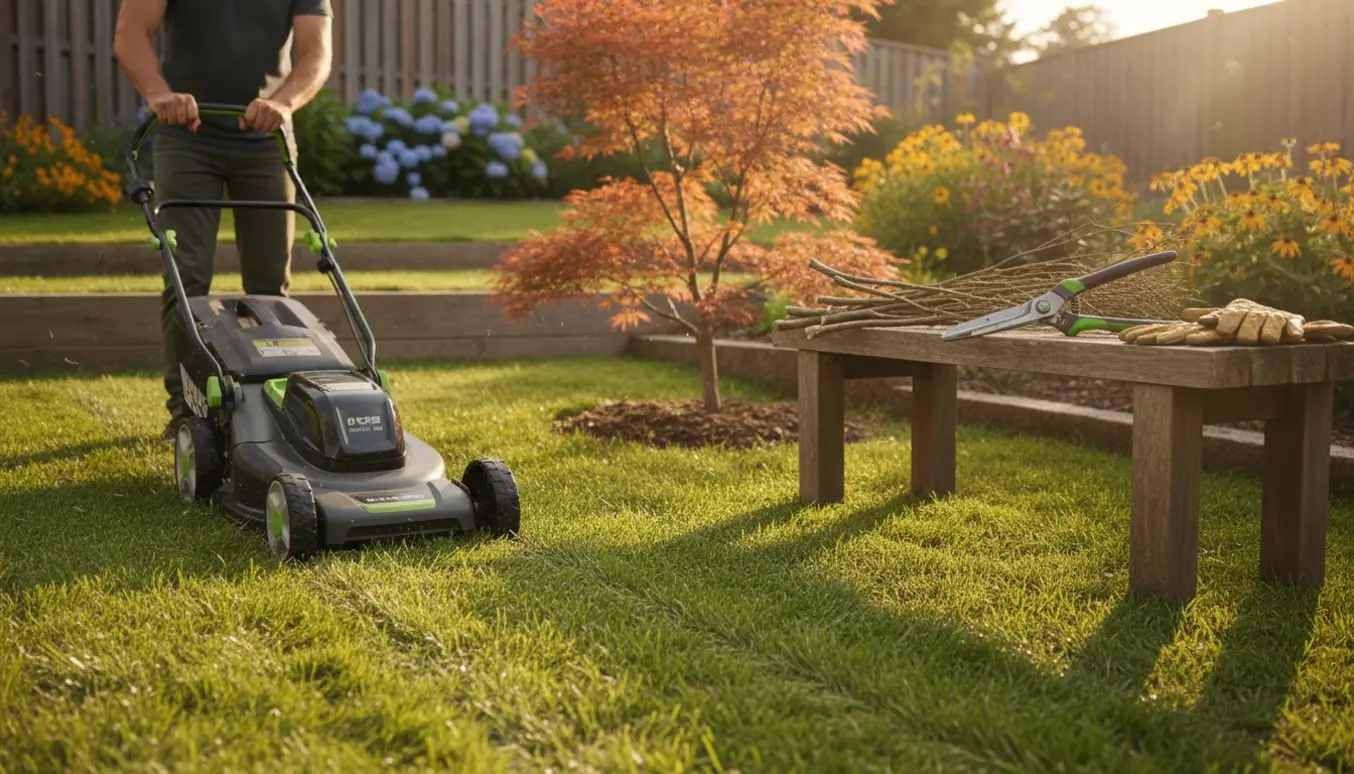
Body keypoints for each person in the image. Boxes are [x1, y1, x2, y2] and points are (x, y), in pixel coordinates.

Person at [113, 0, 333, 442]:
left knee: (269, 283)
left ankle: (273, 405)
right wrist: (158, 94)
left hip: (266, 138)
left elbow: (316, 52)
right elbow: (131, 31)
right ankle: (186, 413)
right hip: (186, 135)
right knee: (187, 276)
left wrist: (283, 104)